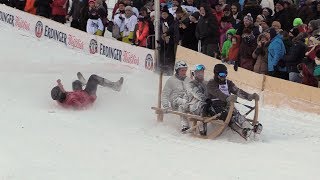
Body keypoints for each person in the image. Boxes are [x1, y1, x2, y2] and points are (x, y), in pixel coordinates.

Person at [206, 64, 262, 137]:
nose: (224, 76)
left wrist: (249, 96)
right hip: (214, 106)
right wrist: (227, 98)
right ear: (216, 74)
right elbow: (218, 93)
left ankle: (251, 127)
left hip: (228, 104)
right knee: (227, 116)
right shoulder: (211, 84)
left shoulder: (228, 83)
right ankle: (241, 131)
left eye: (225, 74)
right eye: (221, 74)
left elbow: (238, 91)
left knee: (236, 114)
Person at [51, 72, 124, 109]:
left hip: (79, 93)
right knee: (93, 77)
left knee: (75, 82)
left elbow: (60, 92)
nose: (63, 87)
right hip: (88, 95)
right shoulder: (72, 100)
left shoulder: (59, 99)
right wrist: (90, 102)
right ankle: (115, 86)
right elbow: (81, 107)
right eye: (61, 88)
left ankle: (84, 83)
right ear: (61, 93)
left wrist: (59, 83)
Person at [161, 60, 191, 132]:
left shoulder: (188, 80)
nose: (184, 72)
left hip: (187, 101)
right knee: (182, 104)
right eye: (182, 70)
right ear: (177, 71)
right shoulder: (171, 80)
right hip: (175, 102)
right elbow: (165, 94)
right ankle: (185, 126)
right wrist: (166, 106)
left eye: (185, 70)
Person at [184, 64, 208, 136]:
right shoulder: (191, 84)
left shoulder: (205, 83)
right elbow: (197, 94)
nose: (201, 74)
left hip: (203, 103)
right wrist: (206, 99)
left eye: (202, 72)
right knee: (203, 106)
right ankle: (202, 130)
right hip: (193, 105)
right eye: (198, 72)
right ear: (194, 73)